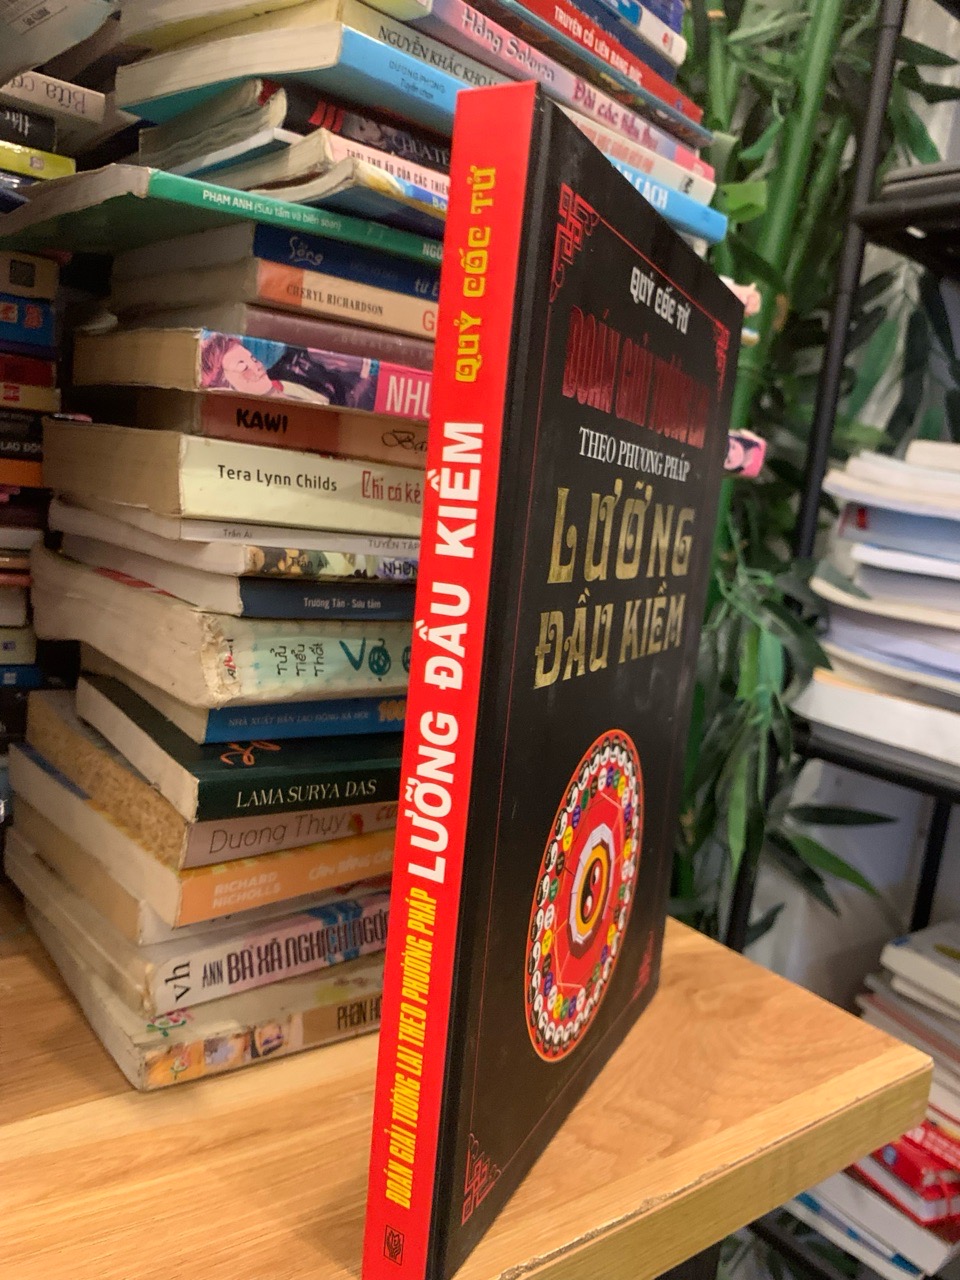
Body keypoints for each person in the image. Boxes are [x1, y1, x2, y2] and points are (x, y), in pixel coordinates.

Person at [200, 333, 334, 404]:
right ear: (227, 388)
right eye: (244, 368)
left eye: (253, 358)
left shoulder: (292, 382)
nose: (257, 366)